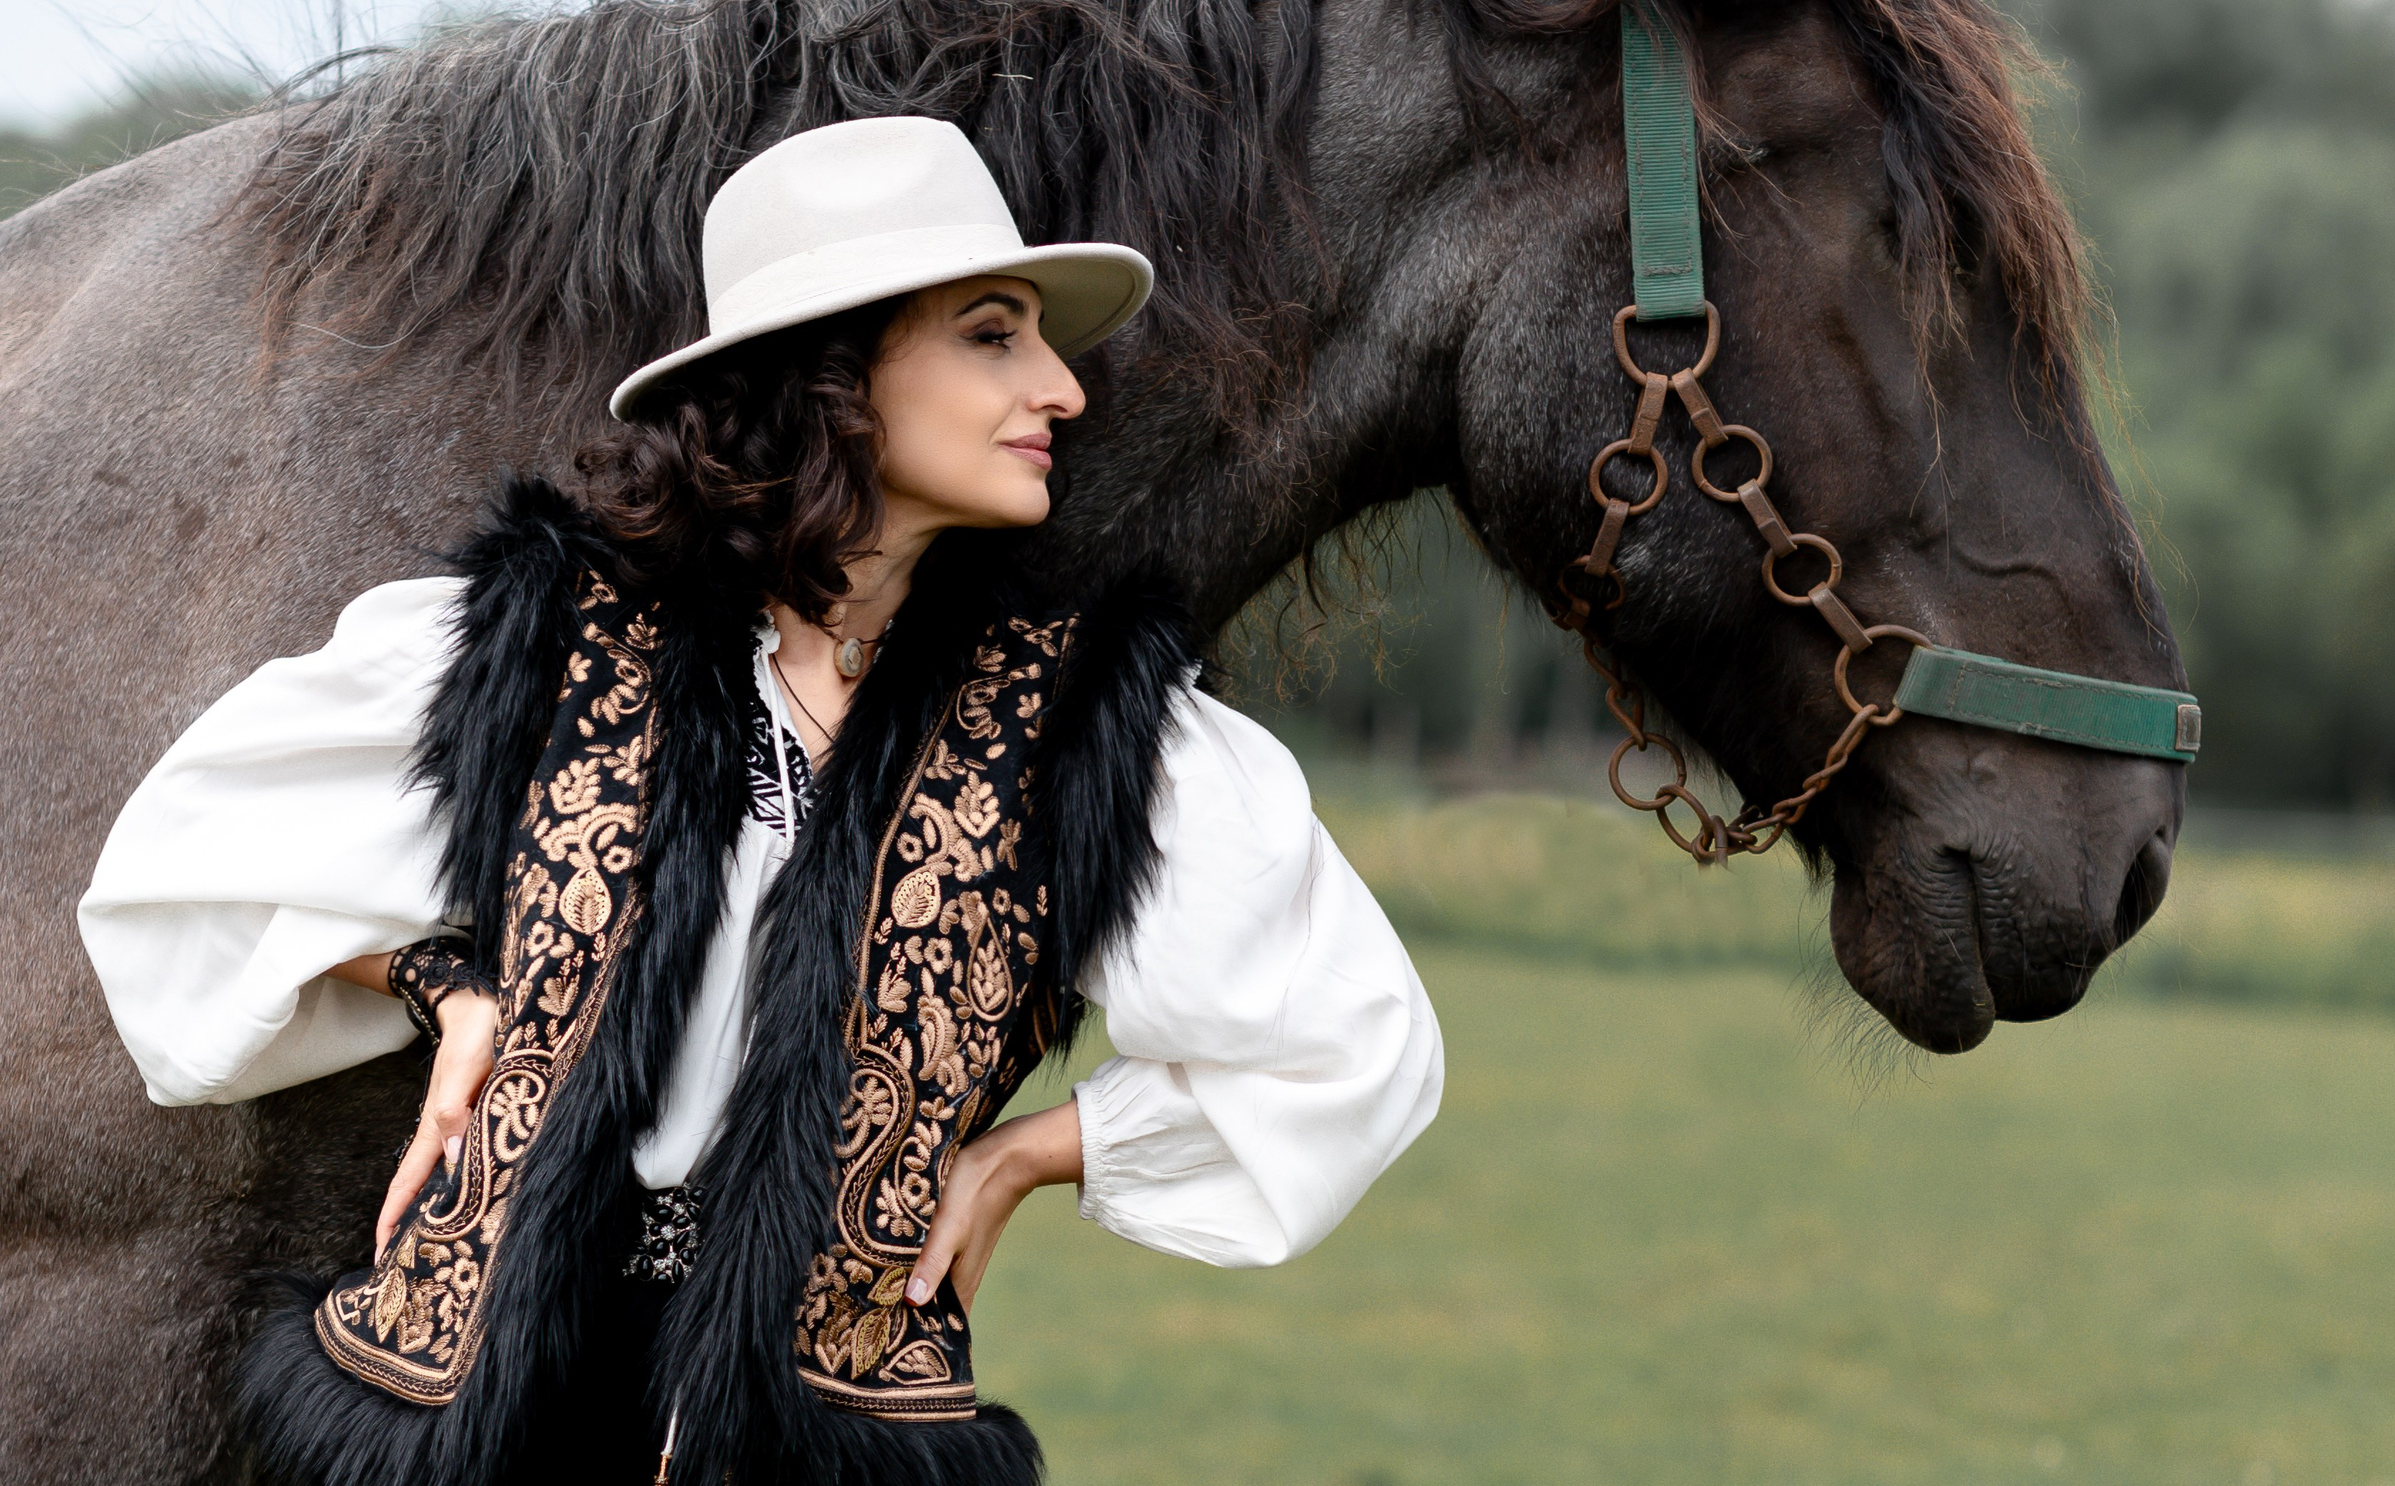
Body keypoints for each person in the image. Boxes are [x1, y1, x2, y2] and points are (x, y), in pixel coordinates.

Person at [79, 117, 1443, 1486]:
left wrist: (1023, 1155)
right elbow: (185, 868)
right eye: (992, 334)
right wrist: (451, 989)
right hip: (471, 1422)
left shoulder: (1082, 727)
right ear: (835, 373)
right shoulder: (548, 643)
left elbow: (1349, 1045)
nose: (1063, 388)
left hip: (813, 1436)